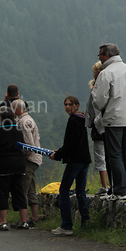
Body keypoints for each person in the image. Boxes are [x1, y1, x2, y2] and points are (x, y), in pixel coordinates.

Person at [92, 43, 126, 201]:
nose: (100, 59)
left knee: (115, 155)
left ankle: (120, 191)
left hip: (112, 120)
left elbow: (99, 100)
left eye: (100, 55)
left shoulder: (106, 73)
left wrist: (107, 108)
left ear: (107, 55)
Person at [49, 96, 91, 236]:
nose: (67, 107)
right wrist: (60, 152)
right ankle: (86, 223)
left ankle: (66, 225)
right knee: (80, 191)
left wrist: (57, 155)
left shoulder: (73, 121)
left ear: (77, 105)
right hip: (84, 159)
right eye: (65, 104)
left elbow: (70, 145)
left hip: (75, 160)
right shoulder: (82, 119)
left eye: (70, 104)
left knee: (64, 190)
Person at [0, 106, 29, 231]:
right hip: (19, 165)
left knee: (2, 194)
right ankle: (24, 221)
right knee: (19, 193)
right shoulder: (18, 130)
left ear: (1, 118)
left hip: (3, 166)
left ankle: (3, 223)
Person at [11, 99, 41, 227]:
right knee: (31, 189)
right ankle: (34, 217)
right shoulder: (29, 119)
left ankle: (24, 219)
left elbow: (29, 145)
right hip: (35, 159)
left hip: (28, 160)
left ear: (17, 110)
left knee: (23, 189)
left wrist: (21, 156)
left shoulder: (23, 122)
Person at [85, 61, 109, 196]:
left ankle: (105, 186)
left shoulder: (96, 89)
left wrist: (95, 121)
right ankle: (112, 185)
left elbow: (96, 109)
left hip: (100, 127)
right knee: (111, 156)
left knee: (101, 157)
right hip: (111, 126)